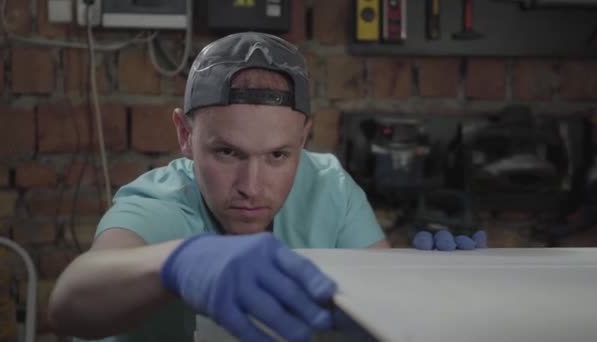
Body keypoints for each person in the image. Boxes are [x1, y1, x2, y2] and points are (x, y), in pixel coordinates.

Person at [47, 31, 391, 342]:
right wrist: (175, 264)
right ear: (185, 134)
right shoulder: (161, 205)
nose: (251, 187)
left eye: (277, 155)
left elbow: (392, 298)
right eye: (227, 152)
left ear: (302, 138)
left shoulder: (329, 186)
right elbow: (68, 302)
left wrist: (436, 277)